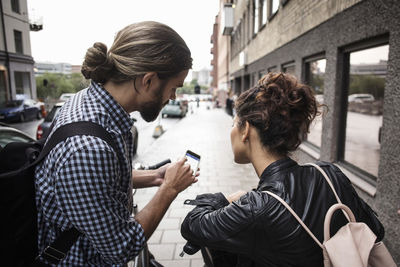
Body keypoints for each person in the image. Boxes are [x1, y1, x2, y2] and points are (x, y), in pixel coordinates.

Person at [35, 21, 198, 266]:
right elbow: (122, 248)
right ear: (149, 80)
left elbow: (101, 182)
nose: (173, 97)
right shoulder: (87, 149)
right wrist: (169, 190)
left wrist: (154, 177)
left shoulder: (92, 103)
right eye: (174, 88)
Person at [181, 72, 384, 267]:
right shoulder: (329, 174)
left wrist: (228, 200)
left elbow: (192, 225)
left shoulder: (256, 208)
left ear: (246, 130)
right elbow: (375, 230)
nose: (232, 129)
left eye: (235, 122)